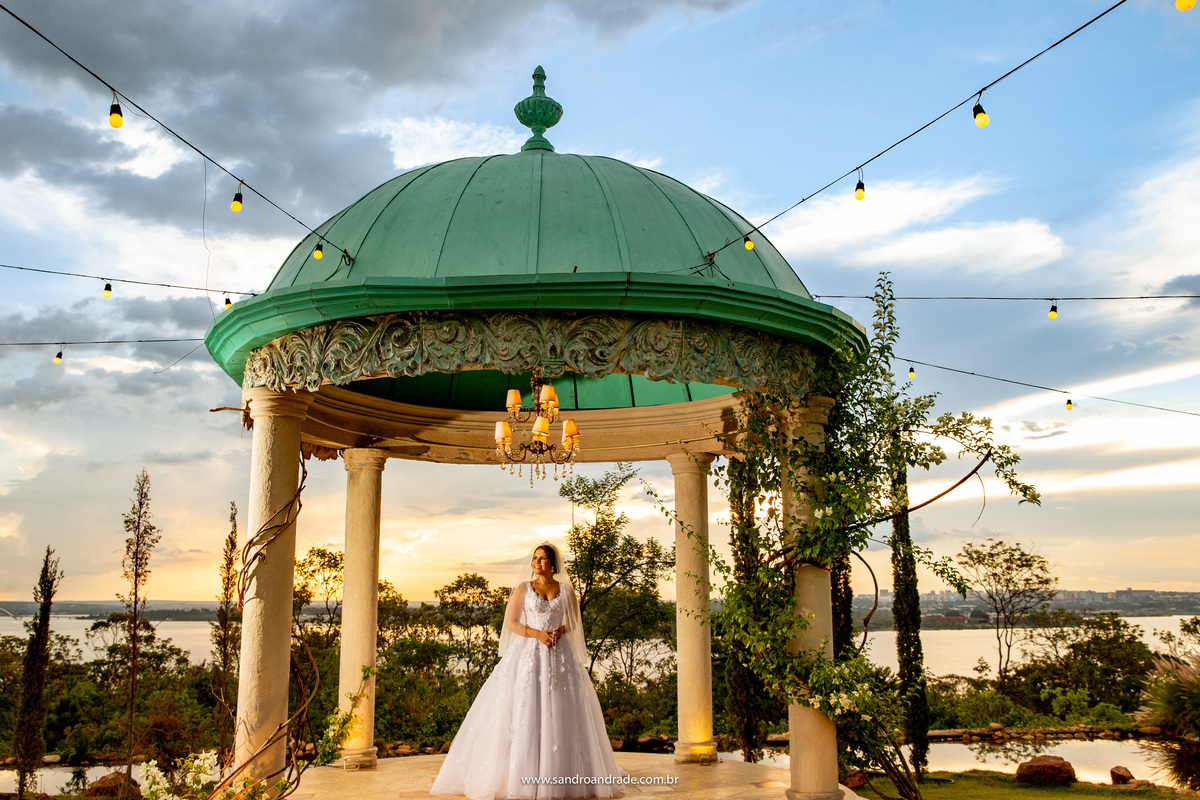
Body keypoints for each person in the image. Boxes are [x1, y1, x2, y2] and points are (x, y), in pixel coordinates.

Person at [430, 542, 627, 799]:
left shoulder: (566, 590)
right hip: (529, 655)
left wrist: (559, 631)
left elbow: (574, 622)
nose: (536, 562)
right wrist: (537, 634)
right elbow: (512, 623)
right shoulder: (524, 588)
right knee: (527, 706)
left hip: (560, 655)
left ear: (553, 563)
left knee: (563, 709)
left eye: (542, 558)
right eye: (535, 558)